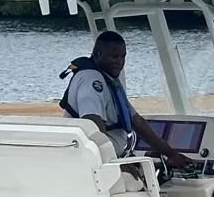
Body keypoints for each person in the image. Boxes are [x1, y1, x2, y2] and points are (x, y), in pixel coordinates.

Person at [60, 31, 193, 170]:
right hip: (98, 163)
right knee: (146, 180)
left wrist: (171, 154)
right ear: (98, 54)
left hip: (112, 157)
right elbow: (93, 124)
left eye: (123, 57)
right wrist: (114, 162)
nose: (119, 61)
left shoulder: (108, 81)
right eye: (114, 56)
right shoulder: (91, 80)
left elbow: (138, 122)